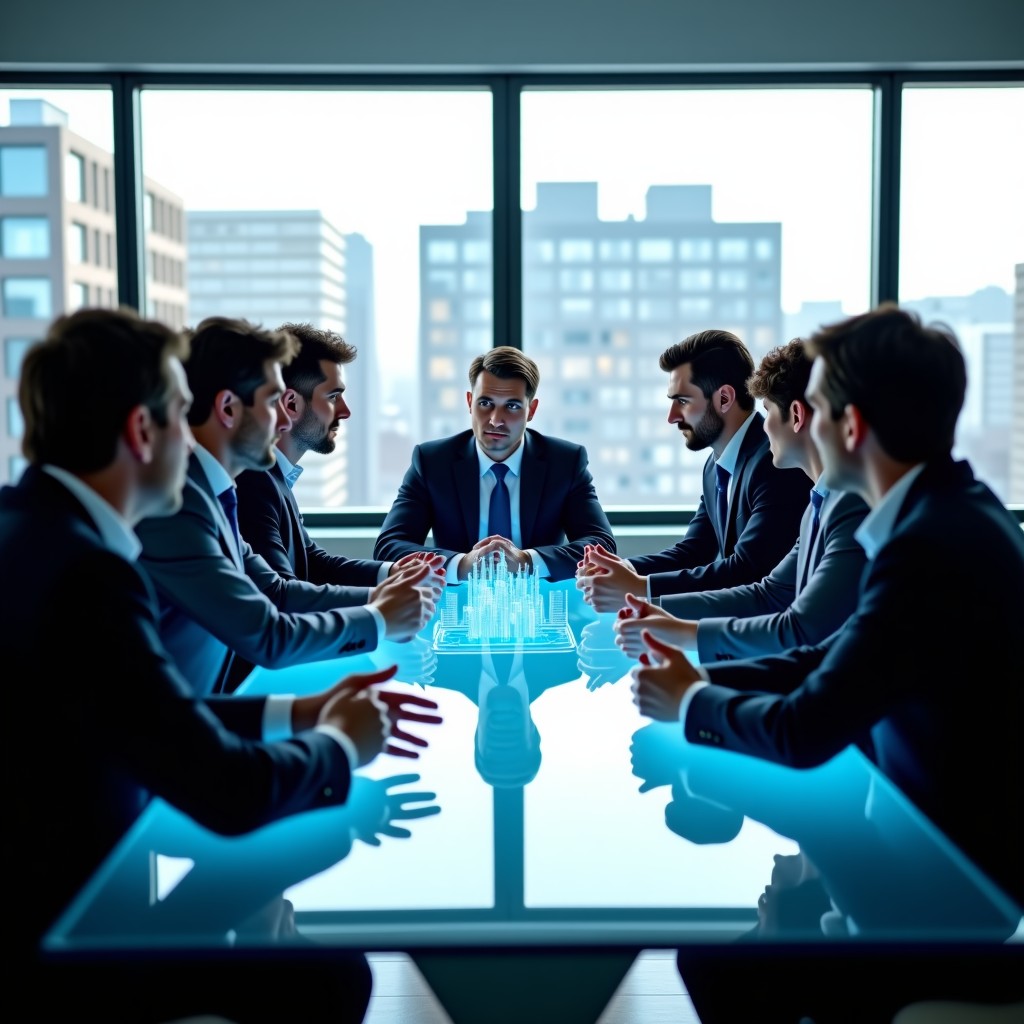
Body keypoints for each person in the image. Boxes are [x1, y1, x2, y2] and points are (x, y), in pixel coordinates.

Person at [2, 307, 441, 1022]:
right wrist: (338, 747)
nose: (195, 434)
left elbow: (139, 709)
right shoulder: (87, 573)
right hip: (66, 937)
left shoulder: (34, 532)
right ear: (144, 433)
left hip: (72, 881)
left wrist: (298, 712)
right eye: (182, 415)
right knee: (326, 978)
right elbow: (227, 790)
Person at [629, 304, 1024, 911]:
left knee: (713, 964)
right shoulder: (947, 513)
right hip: (927, 843)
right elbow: (833, 657)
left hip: (950, 888)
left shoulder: (928, 547)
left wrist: (691, 701)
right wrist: (703, 678)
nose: (786, 426)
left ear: (850, 427)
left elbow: (805, 728)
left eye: (815, 408)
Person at [136, 316, 438, 696]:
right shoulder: (183, 504)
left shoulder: (215, 494)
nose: (283, 421)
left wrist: (385, 596)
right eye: (272, 402)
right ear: (228, 409)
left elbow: (274, 585)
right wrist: (379, 616)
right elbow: (270, 626)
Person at [614, 338, 868, 662]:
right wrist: (648, 603)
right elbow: (769, 593)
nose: (766, 426)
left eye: (768, 410)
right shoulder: (819, 500)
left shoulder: (839, 502)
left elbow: (798, 626)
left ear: (796, 415)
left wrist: (690, 671)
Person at [576, 328, 811, 612]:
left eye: (683, 401)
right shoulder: (715, 467)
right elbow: (694, 552)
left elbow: (747, 569)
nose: (672, 417)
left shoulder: (775, 464)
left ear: (724, 399)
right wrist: (622, 568)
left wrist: (642, 587)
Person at [374, 345, 616, 582]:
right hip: (458, 606)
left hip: (538, 602)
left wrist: (528, 562)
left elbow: (601, 546)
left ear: (531, 410)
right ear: (470, 402)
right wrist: (461, 564)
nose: (496, 420)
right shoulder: (433, 461)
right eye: (485, 403)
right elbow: (389, 546)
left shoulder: (564, 462)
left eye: (511, 406)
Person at [235, 320, 443, 588]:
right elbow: (281, 594)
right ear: (291, 404)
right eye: (333, 397)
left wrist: (392, 572)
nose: (345, 411)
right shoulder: (255, 482)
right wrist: (379, 606)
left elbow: (311, 562)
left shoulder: (275, 476)